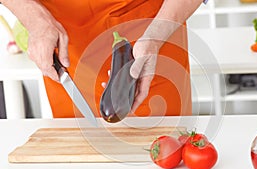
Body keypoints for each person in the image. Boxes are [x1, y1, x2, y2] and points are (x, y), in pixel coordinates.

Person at [1, 0, 208, 118]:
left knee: (161, 163)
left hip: (152, 34)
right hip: (66, 48)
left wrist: (155, 37)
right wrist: (31, 16)